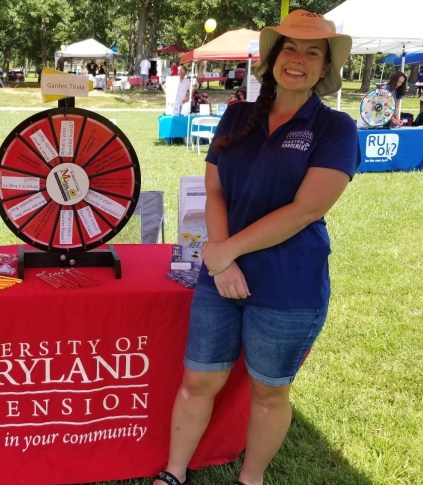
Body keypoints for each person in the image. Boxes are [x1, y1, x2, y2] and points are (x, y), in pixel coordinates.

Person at [152, 10, 358, 485]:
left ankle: (251, 479)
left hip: (289, 283)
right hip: (219, 274)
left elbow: (307, 208)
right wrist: (221, 261)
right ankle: (173, 473)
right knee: (199, 381)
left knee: (269, 390)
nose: (299, 60)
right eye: (290, 48)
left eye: (313, 53)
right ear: (273, 58)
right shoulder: (238, 114)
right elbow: (216, 189)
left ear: (325, 68)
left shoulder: (335, 129)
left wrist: (225, 252)